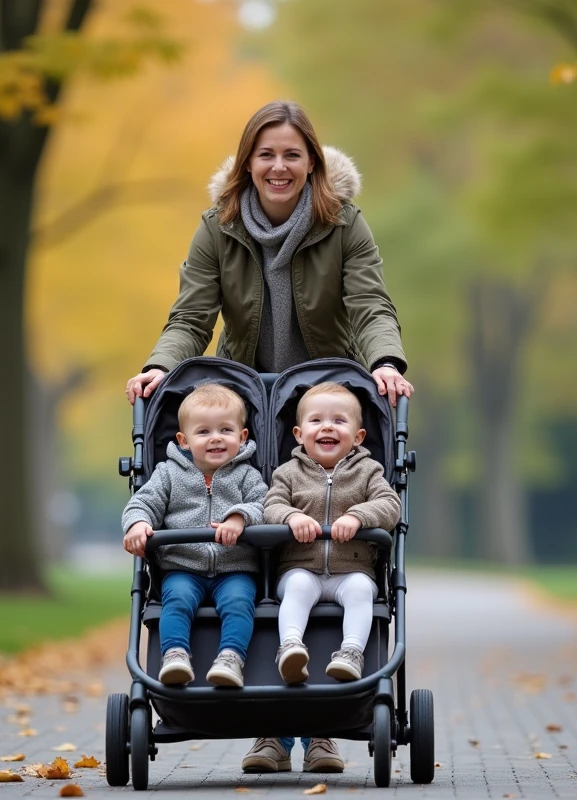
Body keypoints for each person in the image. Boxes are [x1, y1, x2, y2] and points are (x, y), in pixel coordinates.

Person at [123, 99, 414, 774]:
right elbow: (192, 312)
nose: (279, 166)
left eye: (292, 154)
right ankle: (266, 730)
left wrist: (386, 365)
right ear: (248, 163)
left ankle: (319, 728)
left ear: (311, 162)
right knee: (255, 550)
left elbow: (370, 304)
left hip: (323, 409)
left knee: (319, 549)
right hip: (244, 406)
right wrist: (160, 367)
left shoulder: (344, 223)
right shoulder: (217, 227)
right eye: (266, 154)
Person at [122, 384, 267, 688]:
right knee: (176, 600)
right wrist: (137, 524)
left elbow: (265, 504)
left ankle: (230, 658)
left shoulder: (247, 474)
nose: (215, 438)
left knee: (240, 602)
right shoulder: (169, 474)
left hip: (235, 566)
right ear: (184, 441)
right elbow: (143, 502)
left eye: (225, 430)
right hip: (183, 565)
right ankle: (175, 654)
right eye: (204, 432)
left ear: (242, 438)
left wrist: (240, 516)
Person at [266, 382, 400, 684]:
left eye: (339, 421)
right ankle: (290, 646)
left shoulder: (368, 472)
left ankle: (352, 652)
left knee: (362, 591)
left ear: (358, 436)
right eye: (316, 421)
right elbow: (270, 505)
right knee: (298, 587)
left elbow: (390, 505)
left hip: (352, 569)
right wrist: (291, 517)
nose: (327, 427)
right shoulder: (287, 473)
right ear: (299, 434)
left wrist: (358, 516)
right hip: (300, 567)